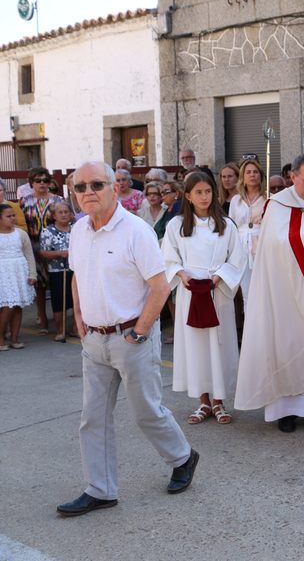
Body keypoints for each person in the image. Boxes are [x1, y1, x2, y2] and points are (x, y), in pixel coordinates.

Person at [57, 161, 198, 517]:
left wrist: (140, 331)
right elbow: (76, 276)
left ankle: (182, 457)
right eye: (80, 187)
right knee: (92, 417)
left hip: (131, 337)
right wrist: (78, 317)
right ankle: (100, 489)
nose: (88, 193)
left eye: (96, 185)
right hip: (94, 342)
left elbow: (160, 287)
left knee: (146, 412)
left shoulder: (136, 231)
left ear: (114, 187)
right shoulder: (78, 231)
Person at [234, 154, 304, 433]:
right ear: (293, 177)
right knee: (291, 347)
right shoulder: (278, 204)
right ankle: (287, 411)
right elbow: (272, 246)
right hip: (288, 294)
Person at [162, 172, 246, 426]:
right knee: (196, 347)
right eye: (198, 192)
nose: (204, 196)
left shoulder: (226, 224)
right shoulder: (176, 226)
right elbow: (167, 256)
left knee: (218, 345)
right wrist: (181, 273)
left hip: (217, 292)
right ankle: (203, 401)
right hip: (191, 293)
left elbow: (237, 258)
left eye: (208, 191)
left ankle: (220, 401)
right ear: (187, 196)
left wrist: (220, 276)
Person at [20, 167, 64, 334]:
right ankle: (42, 318)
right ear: (31, 183)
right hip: (33, 247)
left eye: (45, 180)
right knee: (39, 285)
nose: (42, 184)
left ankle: (58, 318)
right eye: (38, 180)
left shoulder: (58, 200)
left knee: (56, 282)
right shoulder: (25, 201)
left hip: (54, 246)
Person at [0, 203, 36, 350]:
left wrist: (32, 273)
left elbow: (29, 254)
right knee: (8, 306)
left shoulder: (21, 233)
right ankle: (1, 336)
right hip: (3, 273)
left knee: (18, 306)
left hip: (19, 271)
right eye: (9, 216)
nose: (13, 218)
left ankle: (14, 338)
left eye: (13, 215)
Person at [228, 159, 266, 297]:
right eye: (248, 172)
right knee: (247, 289)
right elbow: (231, 226)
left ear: (261, 176)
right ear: (243, 177)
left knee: (263, 287)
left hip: (262, 244)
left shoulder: (267, 198)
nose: (252, 175)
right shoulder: (235, 200)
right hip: (242, 246)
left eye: (255, 172)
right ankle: (249, 318)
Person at [40, 202, 75, 342]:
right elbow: (43, 253)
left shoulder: (76, 228)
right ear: (54, 216)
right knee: (59, 302)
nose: (64, 214)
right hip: (58, 271)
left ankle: (76, 329)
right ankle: (60, 330)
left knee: (78, 300)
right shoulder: (48, 231)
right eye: (60, 212)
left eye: (66, 211)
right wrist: (60, 253)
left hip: (77, 270)